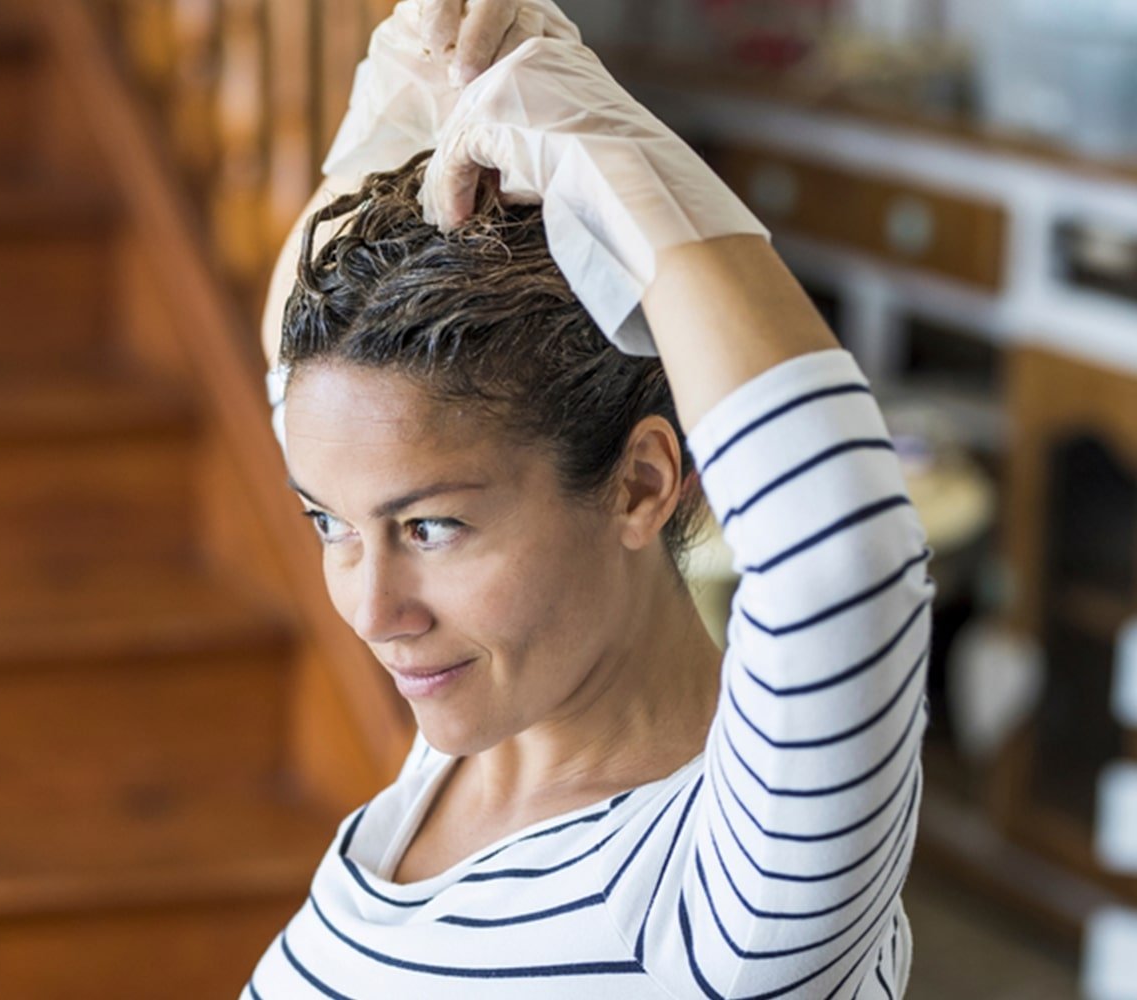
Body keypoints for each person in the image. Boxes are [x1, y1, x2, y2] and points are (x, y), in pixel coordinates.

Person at [243, 2, 931, 997]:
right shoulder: (487, 737)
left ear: (642, 485)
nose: (371, 608)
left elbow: (844, 552)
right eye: (332, 527)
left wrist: (607, 147)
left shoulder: (729, 903)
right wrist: (409, 92)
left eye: (431, 528)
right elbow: (316, 396)